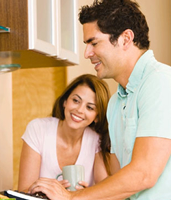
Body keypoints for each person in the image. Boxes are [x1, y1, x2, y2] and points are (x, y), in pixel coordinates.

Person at [28, 0, 171, 199]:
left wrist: (71, 197)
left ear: (125, 39)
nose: (87, 53)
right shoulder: (116, 103)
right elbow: (118, 179)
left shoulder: (160, 82)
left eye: (94, 43)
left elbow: (144, 174)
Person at [18, 74, 111, 192]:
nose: (80, 110)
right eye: (76, 100)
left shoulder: (97, 140)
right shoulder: (38, 129)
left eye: (90, 107)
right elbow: (23, 191)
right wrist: (52, 193)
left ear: (97, 117)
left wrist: (84, 196)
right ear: (65, 101)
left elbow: (106, 193)